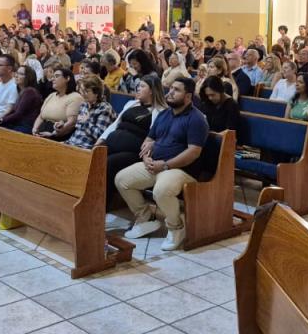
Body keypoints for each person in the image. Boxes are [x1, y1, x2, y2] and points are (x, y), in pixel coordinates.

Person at [116, 78, 208, 251]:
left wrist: (165, 165)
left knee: (161, 191)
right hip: (155, 165)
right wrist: (146, 158)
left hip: (181, 169)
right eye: (170, 88)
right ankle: (146, 218)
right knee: (122, 179)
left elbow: (193, 152)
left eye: (176, 90)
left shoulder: (196, 119)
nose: (170, 92)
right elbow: (149, 139)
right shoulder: (165, 114)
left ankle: (176, 227)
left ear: (188, 96)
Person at [97, 75, 166, 206]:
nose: (137, 88)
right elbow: (115, 124)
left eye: (142, 86)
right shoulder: (131, 104)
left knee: (109, 163)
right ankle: (89, 197)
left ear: (152, 90)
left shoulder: (161, 111)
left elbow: (157, 136)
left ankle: (103, 205)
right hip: (113, 142)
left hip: (135, 152)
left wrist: (148, 153)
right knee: (94, 158)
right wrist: (100, 140)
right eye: (138, 86)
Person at [64, 75, 115, 150]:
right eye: (82, 90)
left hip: (85, 148)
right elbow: (78, 128)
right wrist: (62, 125)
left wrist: (86, 122)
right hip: (72, 143)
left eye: (86, 91)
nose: (83, 94)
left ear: (96, 92)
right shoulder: (84, 105)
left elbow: (100, 136)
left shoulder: (105, 109)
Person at [33, 68, 83, 141]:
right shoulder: (51, 95)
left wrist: (53, 134)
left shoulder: (75, 97)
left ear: (67, 78)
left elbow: (72, 123)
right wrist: (34, 129)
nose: (53, 79)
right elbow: (40, 116)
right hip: (40, 133)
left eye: (57, 76)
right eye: (53, 76)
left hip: (58, 136)